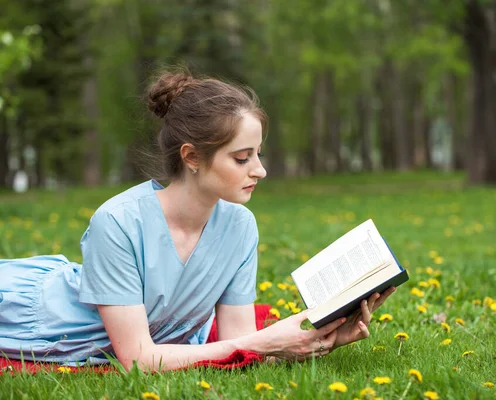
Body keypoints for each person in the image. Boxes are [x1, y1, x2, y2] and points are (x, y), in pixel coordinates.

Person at [0, 69, 395, 371]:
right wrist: (265, 341)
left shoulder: (240, 225)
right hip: (37, 317)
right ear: (191, 158)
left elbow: (239, 344)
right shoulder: (118, 222)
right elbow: (138, 358)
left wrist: (322, 339)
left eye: (258, 154)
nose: (260, 170)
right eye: (242, 158)